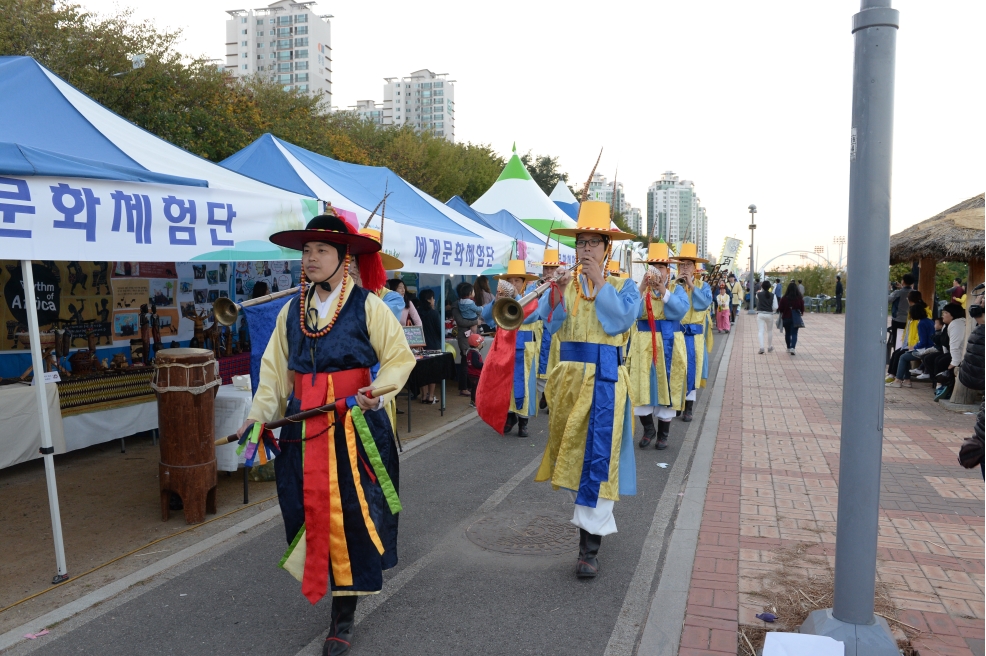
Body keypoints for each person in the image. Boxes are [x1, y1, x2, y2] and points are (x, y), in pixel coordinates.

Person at [236, 212, 415, 656]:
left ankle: (343, 611)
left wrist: (379, 390)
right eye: (306, 251)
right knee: (304, 507)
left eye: (321, 250)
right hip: (303, 427)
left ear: (344, 259)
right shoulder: (289, 312)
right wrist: (259, 417)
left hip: (354, 426)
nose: (311, 258)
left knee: (350, 512)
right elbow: (274, 374)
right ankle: (325, 578)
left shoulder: (368, 306)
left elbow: (399, 357)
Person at [537, 200, 639, 579]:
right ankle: (587, 532)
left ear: (607, 247)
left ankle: (589, 548)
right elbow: (550, 324)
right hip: (569, 382)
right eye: (581, 242)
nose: (586, 249)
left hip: (606, 383)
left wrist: (599, 282)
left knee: (599, 459)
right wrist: (553, 292)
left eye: (594, 242)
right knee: (573, 455)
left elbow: (622, 321)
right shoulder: (567, 284)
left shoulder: (624, 286)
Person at [626, 242, 688, 449]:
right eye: (652, 266)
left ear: (668, 270)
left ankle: (663, 434)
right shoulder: (639, 289)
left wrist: (663, 290)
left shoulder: (677, 290)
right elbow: (630, 313)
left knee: (667, 386)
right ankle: (648, 429)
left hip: (669, 342)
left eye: (661, 267)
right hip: (644, 343)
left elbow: (679, 312)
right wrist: (642, 287)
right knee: (642, 384)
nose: (656, 270)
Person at [480, 260, 541, 437]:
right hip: (505, 347)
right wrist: (495, 302)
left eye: (517, 281)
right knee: (504, 383)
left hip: (525, 349)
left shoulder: (531, 296)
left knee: (524, 384)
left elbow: (532, 316)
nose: (514, 284)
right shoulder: (500, 299)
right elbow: (486, 317)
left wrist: (514, 297)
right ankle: (508, 416)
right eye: (510, 281)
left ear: (523, 283)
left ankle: (523, 421)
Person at [673, 243, 712, 421]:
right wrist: (676, 285)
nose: (685, 267)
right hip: (677, 334)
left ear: (695, 267)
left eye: (689, 264)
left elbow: (703, 304)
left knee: (693, 370)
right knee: (678, 369)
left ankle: (689, 407)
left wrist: (691, 285)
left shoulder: (703, 286)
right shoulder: (673, 285)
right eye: (682, 264)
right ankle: (677, 403)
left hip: (695, 336)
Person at [535, 249, 564, 412]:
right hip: (540, 330)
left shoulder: (562, 286)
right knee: (541, 365)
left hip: (555, 330)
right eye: (546, 268)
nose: (548, 271)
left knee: (555, 365)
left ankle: (551, 394)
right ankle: (545, 392)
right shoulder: (535, 286)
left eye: (551, 269)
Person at [886, 303, 935, 387]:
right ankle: (906, 380)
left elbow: (923, 342)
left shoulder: (921, 323)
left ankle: (898, 380)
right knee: (905, 356)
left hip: (925, 349)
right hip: (930, 347)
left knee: (903, 357)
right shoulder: (929, 321)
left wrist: (913, 347)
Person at [452, 282, 481, 397]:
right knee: (465, 360)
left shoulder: (469, 302)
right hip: (464, 336)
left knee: (471, 359)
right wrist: (476, 322)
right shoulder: (457, 305)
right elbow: (460, 322)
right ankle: (463, 387)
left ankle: (470, 385)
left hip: (472, 334)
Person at [934, 303, 967, 400]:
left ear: (953, 314)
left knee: (941, 361)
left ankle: (946, 387)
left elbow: (955, 345)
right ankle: (940, 385)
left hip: (961, 356)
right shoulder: (951, 324)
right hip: (958, 354)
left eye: (946, 313)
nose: (943, 315)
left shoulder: (956, 324)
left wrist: (954, 363)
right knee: (936, 359)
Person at [417, 289, 443, 404]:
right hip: (434, 345)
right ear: (429, 299)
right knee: (433, 372)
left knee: (422, 372)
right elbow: (440, 330)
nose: (434, 300)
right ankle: (431, 396)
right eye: (433, 298)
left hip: (420, 346)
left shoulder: (417, 313)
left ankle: (423, 396)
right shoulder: (434, 313)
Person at [777, 281, 805, 355]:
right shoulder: (799, 298)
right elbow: (802, 308)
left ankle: (788, 348)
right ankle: (793, 348)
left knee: (787, 333)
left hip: (786, 317)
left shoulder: (784, 298)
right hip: (795, 317)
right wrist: (801, 312)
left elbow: (780, 308)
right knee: (794, 333)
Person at [888, 274, 915, 349]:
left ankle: (897, 356)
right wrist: (902, 287)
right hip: (910, 320)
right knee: (907, 341)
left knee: (897, 342)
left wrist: (888, 289)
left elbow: (888, 299)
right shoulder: (915, 293)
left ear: (903, 281)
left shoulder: (898, 293)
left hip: (898, 320)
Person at [755, 280, 777, 355]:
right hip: (769, 314)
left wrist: (761, 289)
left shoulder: (758, 294)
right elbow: (775, 307)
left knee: (761, 331)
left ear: (762, 286)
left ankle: (761, 347)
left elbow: (757, 295)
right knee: (769, 331)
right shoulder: (773, 295)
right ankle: (769, 347)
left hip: (760, 314)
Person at [465, 333, 485, 408]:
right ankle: (474, 402)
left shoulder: (470, 352)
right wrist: (483, 365)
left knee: (474, 388)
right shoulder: (474, 353)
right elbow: (476, 364)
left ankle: (474, 401)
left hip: (472, 374)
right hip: (475, 374)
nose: (482, 345)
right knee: (476, 389)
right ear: (477, 344)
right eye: (481, 343)